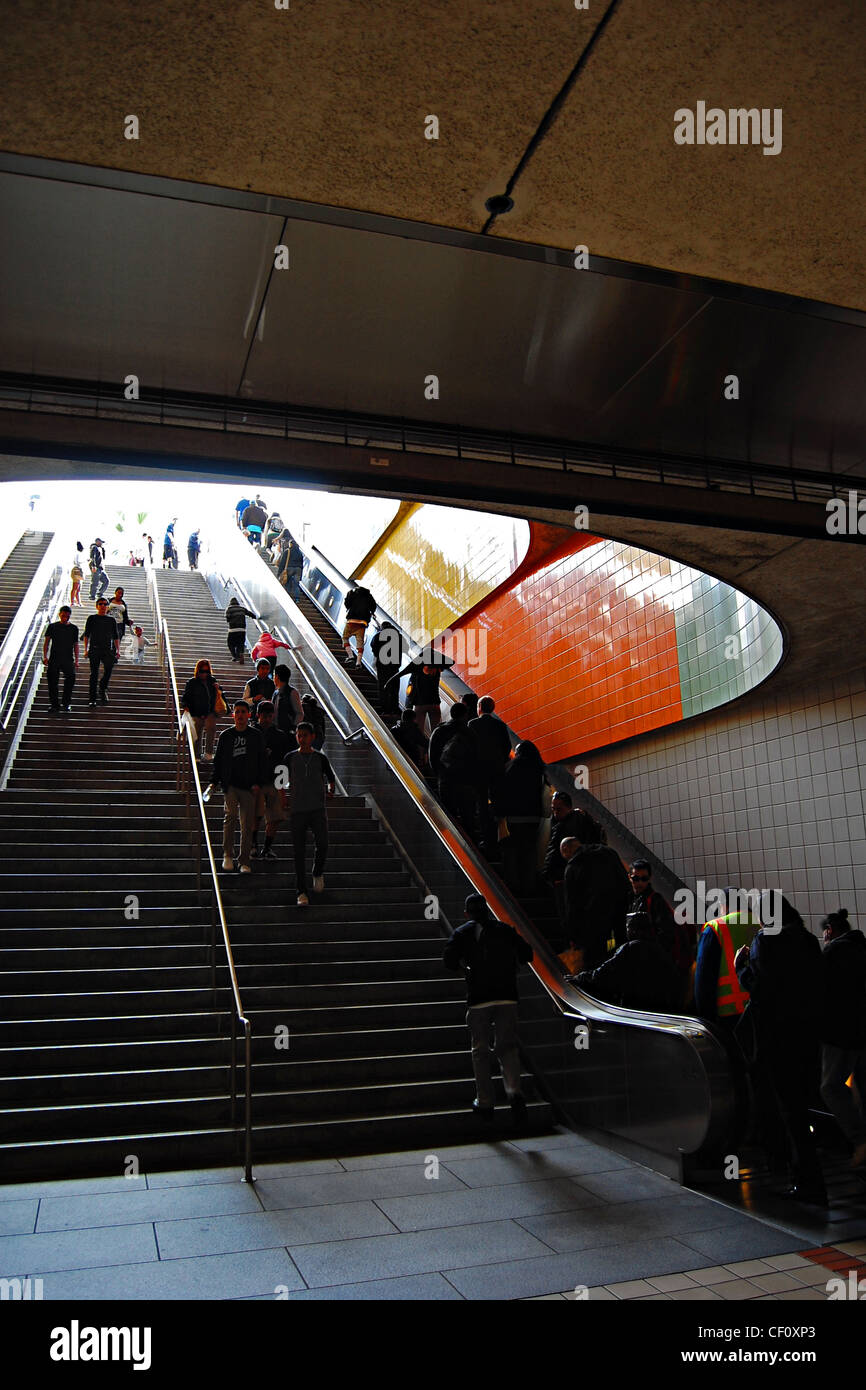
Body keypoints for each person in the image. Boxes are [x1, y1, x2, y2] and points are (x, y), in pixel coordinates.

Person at [734, 897, 827, 1205]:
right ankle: (813, 1178)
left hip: (777, 1035)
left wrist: (740, 967)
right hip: (808, 1034)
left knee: (789, 1109)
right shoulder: (808, 940)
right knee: (805, 1102)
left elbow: (759, 986)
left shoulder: (766, 940)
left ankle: (807, 1182)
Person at [443, 893, 534, 1125]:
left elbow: (449, 961)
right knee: (507, 1047)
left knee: (480, 1050)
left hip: (479, 999)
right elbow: (527, 954)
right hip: (507, 996)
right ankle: (514, 1092)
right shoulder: (505, 929)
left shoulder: (462, 933)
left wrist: (466, 968)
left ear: (467, 914)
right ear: (488, 910)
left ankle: (485, 1101)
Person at [819, 908, 866, 1168]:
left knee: (830, 1086)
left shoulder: (832, 953)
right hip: (861, 1029)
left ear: (829, 932)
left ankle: (860, 1142)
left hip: (839, 1033)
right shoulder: (862, 947)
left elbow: (820, 991)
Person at [574, 910, 681, 1012]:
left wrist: (580, 978)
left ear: (633, 929)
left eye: (628, 927)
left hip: (634, 1008)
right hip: (660, 1009)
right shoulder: (660, 950)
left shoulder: (629, 949)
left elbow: (602, 974)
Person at [559, 831, 632, 970]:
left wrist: (572, 934)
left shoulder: (573, 867)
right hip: (618, 916)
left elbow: (571, 904)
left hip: (592, 923)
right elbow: (625, 882)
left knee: (595, 958)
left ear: (566, 850)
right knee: (620, 949)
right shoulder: (609, 853)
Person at [626, 859, 693, 1006]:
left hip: (653, 965)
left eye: (644, 879)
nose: (640, 883)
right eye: (636, 878)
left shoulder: (655, 901)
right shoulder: (633, 900)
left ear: (649, 879)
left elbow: (666, 935)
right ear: (629, 877)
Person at [211, 702, 267, 874]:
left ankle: (244, 860)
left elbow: (262, 761)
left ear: (249, 715)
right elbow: (218, 760)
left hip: (249, 786)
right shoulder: (226, 736)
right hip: (231, 784)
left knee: (247, 823)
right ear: (233, 715)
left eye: (243, 712)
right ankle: (227, 854)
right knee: (230, 817)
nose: (241, 715)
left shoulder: (256, 736)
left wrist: (259, 782)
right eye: (237, 712)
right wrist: (215, 780)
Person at [284, 721, 336, 905]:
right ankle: (301, 891)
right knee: (298, 851)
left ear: (312, 737)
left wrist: (330, 789)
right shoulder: (289, 757)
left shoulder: (320, 759)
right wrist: (282, 795)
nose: (302, 739)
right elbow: (279, 778)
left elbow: (331, 777)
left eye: (305, 735)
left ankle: (317, 871)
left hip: (317, 809)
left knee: (323, 843)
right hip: (298, 809)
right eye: (299, 735)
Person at [693, 887, 762, 1027]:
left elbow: (703, 978)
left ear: (724, 905)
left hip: (728, 1013)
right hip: (762, 1006)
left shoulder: (715, 928)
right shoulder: (762, 923)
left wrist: (705, 1019)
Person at [493, 741, 547, 897]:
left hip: (513, 818)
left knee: (511, 853)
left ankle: (513, 886)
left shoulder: (509, 767)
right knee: (529, 852)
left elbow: (498, 792)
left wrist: (499, 815)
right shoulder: (539, 769)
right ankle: (529, 886)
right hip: (533, 819)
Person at [429, 704, 479, 837]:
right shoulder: (470, 733)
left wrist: (440, 775)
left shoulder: (439, 731)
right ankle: (472, 849)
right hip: (466, 781)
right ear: (465, 715)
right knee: (468, 817)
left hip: (447, 780)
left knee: (448, 817)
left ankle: (451, 845)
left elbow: (433, 756)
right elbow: (476, 758)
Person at [468, 696, 512, 848]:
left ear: (479, 706)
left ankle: (485, 837)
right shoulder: (500, 725)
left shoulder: (472, 724)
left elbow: (469, 746)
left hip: (478, 770)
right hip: (497, 770)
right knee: (497, 800)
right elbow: (507, 747)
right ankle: (499, 835)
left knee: (481, 802)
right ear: (492, 708)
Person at [251, 701, 291, 860]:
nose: (266, 719)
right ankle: (254, 845)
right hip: (257, 781)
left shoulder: (280, 736)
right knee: (256, 814)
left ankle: (266, 847)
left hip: (274, 781)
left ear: (273, 715)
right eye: (264, 715)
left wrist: (282, 787)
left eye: (269, 715)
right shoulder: (251, 733)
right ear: (258, 715)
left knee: (276, 816)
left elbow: (283, 762)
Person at [180, 658, 224, 759]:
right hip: (196, 711)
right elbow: (186, 696)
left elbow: (218, 695)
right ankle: (196, 755)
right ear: (198, 670)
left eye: (207, 671)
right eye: (202, 671)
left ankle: (208, 753)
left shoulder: (212, 681)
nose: (204, 674)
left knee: (211, 729)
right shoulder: (192, 682)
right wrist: (186, 706)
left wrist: (218, 688)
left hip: (209, 711)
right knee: (197, 733)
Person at [83, 596, 120, 705]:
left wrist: (118, 650)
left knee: (108, 670)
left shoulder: (111, 620)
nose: (103, 606)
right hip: (94, 649)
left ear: (108, 606)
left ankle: (103, 688)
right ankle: (92, 698)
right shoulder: (92, 618)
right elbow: (86, 635)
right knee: (94, 673)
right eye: (100, 604)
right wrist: (85, 650)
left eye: (105, 604)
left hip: (107, 649)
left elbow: (116, 636)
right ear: (97, 606)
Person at [42, 605, 79, 712]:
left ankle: (66, 703)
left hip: (68, 658)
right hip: (54, 658)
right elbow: (46, 642)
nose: (65, 618)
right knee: (52, 682)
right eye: (63, 616)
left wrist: (77, 660)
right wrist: (45, 656)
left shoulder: (73, 628)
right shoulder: (52, 627)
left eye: (67, 616)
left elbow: (76, 644)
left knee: (71, 679)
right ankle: (54, 705)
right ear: (59, 614)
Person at [371, 621, 405, 721]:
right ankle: (394, 709)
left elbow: (374, 648)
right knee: (394, 688)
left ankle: (385, 709)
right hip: (395, 667)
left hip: (383, 666)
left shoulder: (378, 635)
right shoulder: (399, 636)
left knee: (383, 688)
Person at [342, 584, 377, 667]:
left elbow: (347, 603)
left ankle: (350, 656)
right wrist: (371, 612)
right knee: (360, 642)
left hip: (352, 620)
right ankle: (358, 662)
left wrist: (350, 608)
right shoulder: (368, 595)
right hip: (362, 622)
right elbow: (373, 606)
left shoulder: (352, 593)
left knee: (345, 637)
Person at [272, 663, 303, 741]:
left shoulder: (292, 692)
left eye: (274, 675)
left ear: (277, 677)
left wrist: (293, 728)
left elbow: (299, 713)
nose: (273, 678)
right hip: (276, 730)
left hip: (287, 731)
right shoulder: (276, 693)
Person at [391, 707, 429, 771]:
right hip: (411, 757)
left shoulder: (393, 729)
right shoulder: (413, 729)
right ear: (413, 719)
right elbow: (424, 742)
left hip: (396, 757)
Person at [224, 596, 258, 663]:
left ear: (230, 603)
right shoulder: (242, 608)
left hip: (233, 630)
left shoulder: (229, 609)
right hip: (242, 630)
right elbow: (251, 614)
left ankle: (234, 656)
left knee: (230, 643)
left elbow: (227, 619)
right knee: (240, 643)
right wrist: (255, 617)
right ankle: (241, 654)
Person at [243, 658, 276, 723]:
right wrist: (254, 699)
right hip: (254, 715)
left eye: (267, 669)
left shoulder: (273, 684)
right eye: (263, 668)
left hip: (269, 716)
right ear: (258, 669)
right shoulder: (250, 683)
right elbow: (244, 701)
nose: (265, 671)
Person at [276, 530, 304, 601]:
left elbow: (283, 562)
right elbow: (302, 563)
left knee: (287, 583)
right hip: (298, 569)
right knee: (296, 584)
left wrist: (279, 573)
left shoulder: (287, 551)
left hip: (289, 568)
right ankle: (297, 598)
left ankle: (288, 597)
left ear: (291, 544)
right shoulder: (300, 553)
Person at [106, 586, 133, 658]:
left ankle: (113, 656)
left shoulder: (123, 604)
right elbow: (104, 611)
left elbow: (125, 616)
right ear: (115, 592)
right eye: (118, 593)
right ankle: (107, 655)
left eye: (121, 593)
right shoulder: (109, 601)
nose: (120, 595)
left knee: (117, 639)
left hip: (119, 624)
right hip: (109, 623)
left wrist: (129, 622)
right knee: (108, 640)